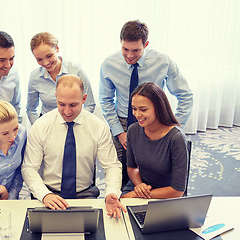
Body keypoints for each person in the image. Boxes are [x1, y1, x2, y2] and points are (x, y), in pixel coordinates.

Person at [99, 20, 193, 190]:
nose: (129, 55)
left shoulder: (163, 62)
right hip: (122, 122)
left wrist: (174, 127)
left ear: (146, 44)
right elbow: (105, 99)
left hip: (154, 121)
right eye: (125, 49)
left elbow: (185, 95)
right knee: (118, 171)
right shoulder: (109, 64)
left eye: (135, 50)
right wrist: (119, 132)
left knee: (157, 169)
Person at [22, 74, 125, 218]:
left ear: (84, 99)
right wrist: (45, 195)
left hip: (85, 194)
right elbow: (29, 168)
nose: (67, 111)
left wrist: (111, 193)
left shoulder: (98, 126)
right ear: (56, 97)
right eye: (61, 104)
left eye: (73, 105)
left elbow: (112, 166)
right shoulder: (41, 125)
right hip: (48, 193)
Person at [121, 82, 188, 199]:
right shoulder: (133, 130)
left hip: (166, 193)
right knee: (117, 211)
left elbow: (177, 190)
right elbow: (132, 167)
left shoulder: (176, 138)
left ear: (158, 108)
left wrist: (137, 195)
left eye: (143, 109)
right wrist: (140, 186)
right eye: (134, 108)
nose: (137, 114)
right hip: (139, 185)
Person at [26, 32, 95, 125]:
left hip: (74, 123)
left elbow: (90, 105)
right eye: (39, 59)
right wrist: (38, 127)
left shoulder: (76, 70)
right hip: (47, 125)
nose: (46, 63)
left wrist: (75, 123)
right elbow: (31, 109)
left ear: (57, 49)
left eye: (49, 56)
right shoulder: (35, 77)